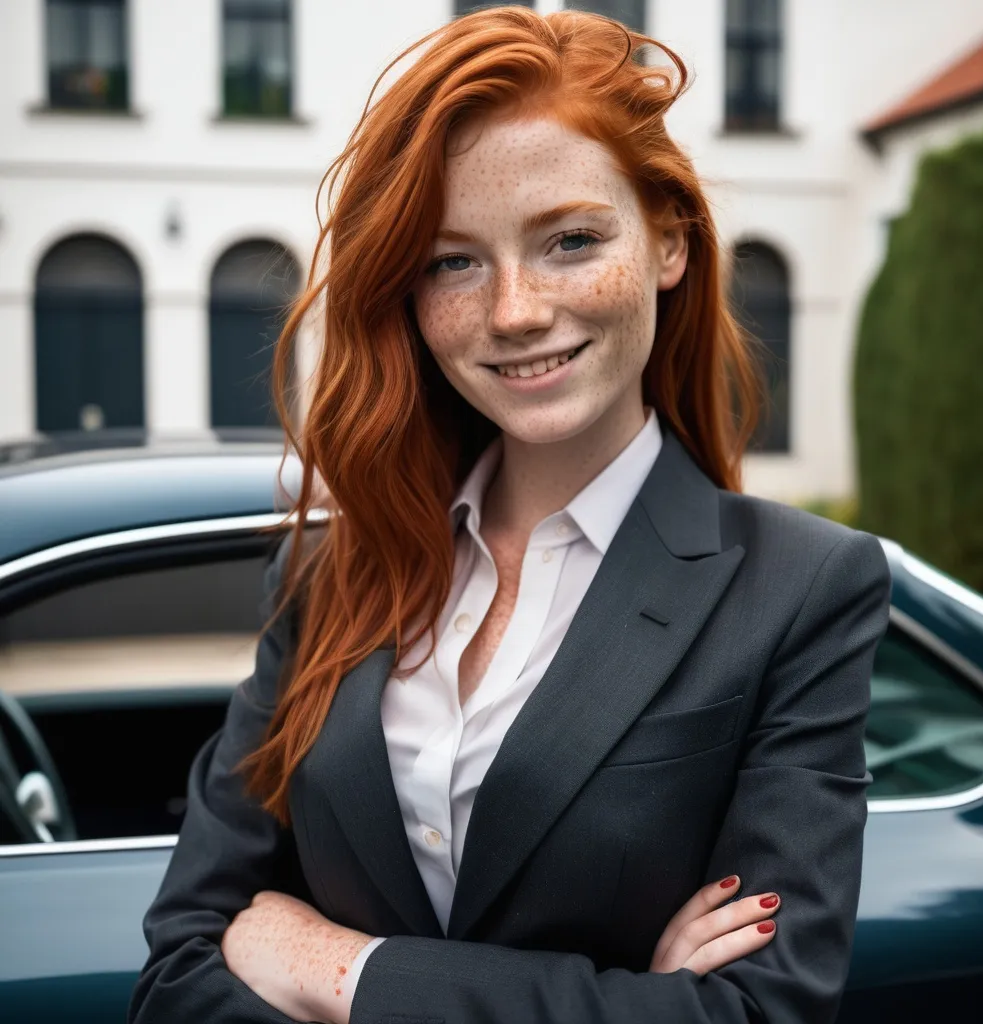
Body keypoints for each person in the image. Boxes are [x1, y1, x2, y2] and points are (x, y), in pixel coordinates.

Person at [128, 7, 891, 1024]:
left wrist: (334, 968)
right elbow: (178, 969)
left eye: (571, 240)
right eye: (454, 261)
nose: (514, 310)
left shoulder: (799, 591)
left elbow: (758, 1012)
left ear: (667, 242)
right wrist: (629, 1003)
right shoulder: (327, 576)